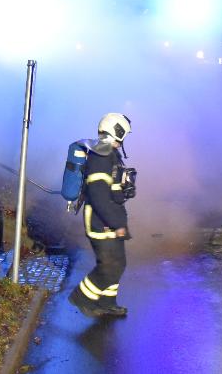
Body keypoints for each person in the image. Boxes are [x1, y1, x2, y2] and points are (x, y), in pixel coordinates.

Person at [69, 113, 135, 318]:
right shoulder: (101, 156)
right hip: (100, 221)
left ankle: (107, 303)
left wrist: (125, 188)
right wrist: (117, 224)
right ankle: (81, 297)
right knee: (108, 266)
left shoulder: (111, 155)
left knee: (119, 263)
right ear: (118, 132)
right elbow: (98, 195)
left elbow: (111, 189)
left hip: (111, 218)